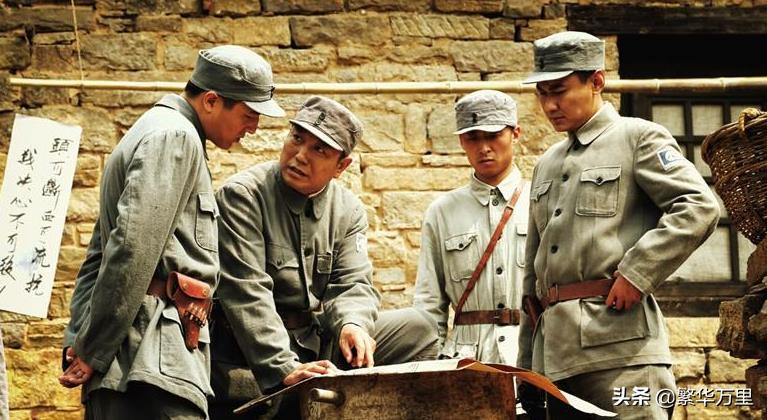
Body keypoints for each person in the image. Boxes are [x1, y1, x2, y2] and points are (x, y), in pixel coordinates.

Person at [59, 45, 285, 419]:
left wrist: (81, 341)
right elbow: (131, 249)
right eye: (248, 115)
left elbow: (99, 255)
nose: (253, 128)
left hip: (135, 364)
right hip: (152, 364)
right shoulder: (175, 137)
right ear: (211, 101)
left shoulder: (154, 129)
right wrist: (91, 347)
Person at [516, 31, 720, 419]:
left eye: (559, 91)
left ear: (596, 81)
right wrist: (527, 365)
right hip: (556, 362)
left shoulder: (638, 137)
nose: (549, 105)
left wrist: (637, 273)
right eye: (542, 94)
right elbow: (533, 277)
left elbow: (697, 206)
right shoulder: (546, 164)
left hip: (623, 353)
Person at [211, 95, 438, 418]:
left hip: (314, 341)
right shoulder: (243, 196)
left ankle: (358, 408)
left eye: (319, 149)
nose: (300, 155)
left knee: (418, 329)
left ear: (341, 167)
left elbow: (353, 283)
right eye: (297, 138)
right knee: (283, 398)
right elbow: (247, 292)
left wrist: (352, 324)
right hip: (249, 353)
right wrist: (284, 367)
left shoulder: (348, 210)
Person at [414, 90, 530, 365]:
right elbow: (429, 303)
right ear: (461, 142)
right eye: (473, 138)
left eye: (493, 135)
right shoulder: (442, 212)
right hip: (465, 360)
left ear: (515, 133)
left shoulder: (540, 200)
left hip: (532, 352)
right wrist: (430, 365)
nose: (483, 147)